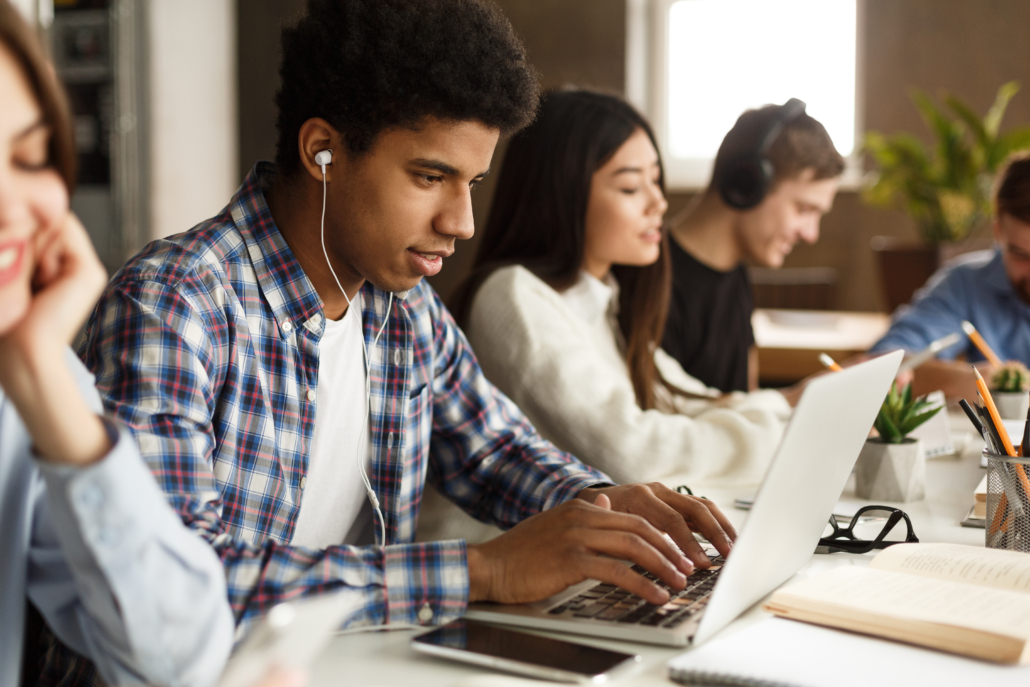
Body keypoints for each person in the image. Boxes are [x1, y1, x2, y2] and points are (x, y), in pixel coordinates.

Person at [69, 1, 738, 679]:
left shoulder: (402, 307)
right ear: (321, 151)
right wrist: (484, 568)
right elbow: (179, 588)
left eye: (472, 182)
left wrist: (608, 510)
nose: (463, 221)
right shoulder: (173, 304)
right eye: (430, 177)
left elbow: (496, 452)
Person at [0, 2, 235, 686]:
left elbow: (176, 659)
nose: (15, 206)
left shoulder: (26, 381)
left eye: (30, 155)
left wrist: (44, 381)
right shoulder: (179, 291)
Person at [445, 89, 791, 492]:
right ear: (562, 194)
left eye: (656, 181)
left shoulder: (602, 302)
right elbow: (635, 454)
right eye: (630, 188)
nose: (658, 203)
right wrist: (784, 432)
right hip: (497, 549)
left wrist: (789, 404)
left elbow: (688, 401)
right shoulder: (513, 297)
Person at [662, 101, 844, 393]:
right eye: (804, 209)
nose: (811, 234)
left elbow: (747, 404)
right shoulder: (651, 280)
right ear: (748, 184)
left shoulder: (735, 273)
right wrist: (796, 399)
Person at [868, 153, 1030, 400]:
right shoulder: (965, 284)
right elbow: (884, 361)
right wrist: (964, 381)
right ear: (998, 233)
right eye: (1021, 254)